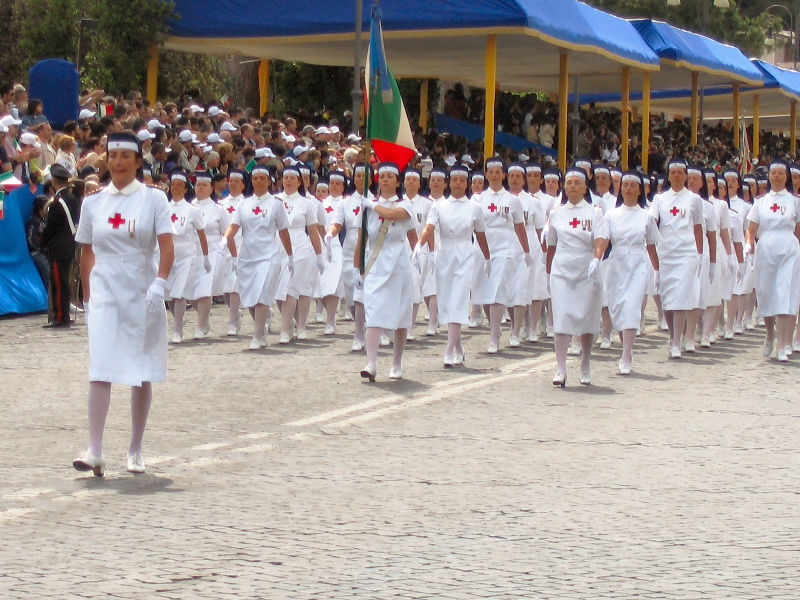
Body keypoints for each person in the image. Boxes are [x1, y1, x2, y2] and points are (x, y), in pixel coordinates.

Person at [72, 131, 174, 476]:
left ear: (136, 161)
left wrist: (160, 282)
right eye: (112, 155)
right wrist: (88, 295)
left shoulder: (153, 200)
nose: (117, 163)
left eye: (124, 157)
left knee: (139, 371)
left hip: (141, 286)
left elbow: (166, 246)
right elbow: (87, 250)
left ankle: (135, 447)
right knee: (100, 367)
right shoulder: (93, 202)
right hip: (105, 290)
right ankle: (95, 448)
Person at [416, 164, 490, 366]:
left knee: (458, 300)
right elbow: (429, 227)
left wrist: (487, 258)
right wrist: (419, 244)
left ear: (466, 183)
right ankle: (458, 346)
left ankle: (448, 351)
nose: (458, 183)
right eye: (455, 179)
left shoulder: (474, 208)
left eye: (462, 180)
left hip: (465, 255)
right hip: (445, 256)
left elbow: (481, 235)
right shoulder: (439, 206)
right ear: (449, 182)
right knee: (447, 302)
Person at [354, 161, 417, 381]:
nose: (386, 180)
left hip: (398, 263)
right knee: (373, 312)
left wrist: (419, 257)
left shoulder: (406, 204)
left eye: (391, 176)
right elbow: (362, 239)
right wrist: (357, 269)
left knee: (400, 316)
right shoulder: (368, 205)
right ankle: (371, 363)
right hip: (376, 263)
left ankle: (396, 362)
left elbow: (395, 216)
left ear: (398, 181)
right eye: (383, 176)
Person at [546, 167, 609, 387]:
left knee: (586, 318)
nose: (572, 186)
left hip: (586, 269)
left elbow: (601, 238)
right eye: (569, 182)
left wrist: (596, 258)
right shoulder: (556, 214)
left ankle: (585, 362)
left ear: (585, 187)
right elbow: (551, 245)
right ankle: (561, 367)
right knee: (562, 317)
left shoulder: (595, 211)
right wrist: (548, 272)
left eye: (577, 182)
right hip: (562, 269)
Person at [224, 164, 293, 349]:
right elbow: (234, 226)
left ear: (269, 181)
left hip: (269, 255)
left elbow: (284, 231)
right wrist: (226, 239)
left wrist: (290, 255)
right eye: (255, 178)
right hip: (247, 256)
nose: (259, 181)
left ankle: (256, 335)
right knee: (250, 298)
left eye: (263, 178)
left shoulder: (276, 204)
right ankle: (261, 330)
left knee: (262, 295)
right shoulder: (243, 204)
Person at [470, 157, 533, 353]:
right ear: (486, 174)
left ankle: (493, 336)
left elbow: (519, 227)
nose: (495, 175)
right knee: (484, 293)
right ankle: (494, 327)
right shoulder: (477, 199)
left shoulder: (512, 200)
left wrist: (527, 250)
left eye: (499, 171)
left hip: (505, 249)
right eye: (491, 172)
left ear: (503, 175)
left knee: (497, 290)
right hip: (482, 249)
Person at [604, 171, 660, 375]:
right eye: (625, 185)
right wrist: (595, 259)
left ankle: (626, 354)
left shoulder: (646, 216)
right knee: (617, 307)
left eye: (632, 185)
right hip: (616, 263)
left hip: (638, 262)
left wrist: (657, 270)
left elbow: (652, 245)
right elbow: (603, 240)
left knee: (632, 307)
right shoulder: (611, 215)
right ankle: (625, 344)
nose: (628, 188)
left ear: (639, 190)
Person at [744, 160, 800, 361]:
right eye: (773, 173)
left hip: (789, 249)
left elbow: (798, 231)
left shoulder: (794, 201)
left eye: (780, 173)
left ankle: (784, 344)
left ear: (786, 177)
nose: (776, 176)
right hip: (766, 248)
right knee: (766, 293)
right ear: (769, 176)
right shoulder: (760, 202)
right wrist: (748, 244)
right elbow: (751, 229)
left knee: (785, 294)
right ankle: (770, 333)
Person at [650, 159, 704, 359]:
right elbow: (652, 221)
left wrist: (699, 254)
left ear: (685, 175)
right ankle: (673, 335)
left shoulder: (693, 199)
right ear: (668, 175)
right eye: (673, 173)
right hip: (666, 253)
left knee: (680, 298)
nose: (677, 176)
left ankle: (676, 342)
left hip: (686, 253)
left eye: (681, 173)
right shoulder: (659, 199)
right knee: (667, 300)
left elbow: (697, 226)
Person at [274, 164, 325, 343]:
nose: (288, 181)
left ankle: (290, 328)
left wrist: (319, 255)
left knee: (294, 288)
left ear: (299, 182)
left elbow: (313, 230)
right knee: (279, 292)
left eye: (292, 178)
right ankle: (292, 321)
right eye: (285, 177)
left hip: (301, 249)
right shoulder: (274, 200)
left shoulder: (307, 204)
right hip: (278, 248)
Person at [164, 169, 211, 343]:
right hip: (169, 254)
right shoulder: (164, 208)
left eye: (179, 185)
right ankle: (178, 319)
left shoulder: (192, 210)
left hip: (186, 255)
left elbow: (201, 234)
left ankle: (177, 329)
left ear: (185, 189)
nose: (175, 187)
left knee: (180, 293)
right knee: (169, 293)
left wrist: (205, 256)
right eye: (173, 184)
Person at [39, 164, 80, 328]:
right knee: (65, 280)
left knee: (59, 282)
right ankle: (62, 313)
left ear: (55, 181)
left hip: (58, 246)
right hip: (70, 243)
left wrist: (41, 242)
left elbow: (51, 227)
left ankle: (61, 316)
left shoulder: (57, 202)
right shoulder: (72, 198)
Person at [190, 171, 229, 338]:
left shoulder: (219, 210)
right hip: (192, 251)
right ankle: (204, 317)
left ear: (211, 188)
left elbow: (226, 232)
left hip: (212, 251)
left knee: (205, 290)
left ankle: (200, 325)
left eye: (205, 185)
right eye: (198, 184)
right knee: (192, 292)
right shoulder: (189, 207)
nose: (201, 187)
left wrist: (226, 253)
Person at [26, 194, 50, 285]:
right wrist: (40, 248)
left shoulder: (44, 220)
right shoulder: (34, 221)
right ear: (41, 207)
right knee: (48, 273)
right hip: (37, 252)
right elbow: (31, 239)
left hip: (44, 252)